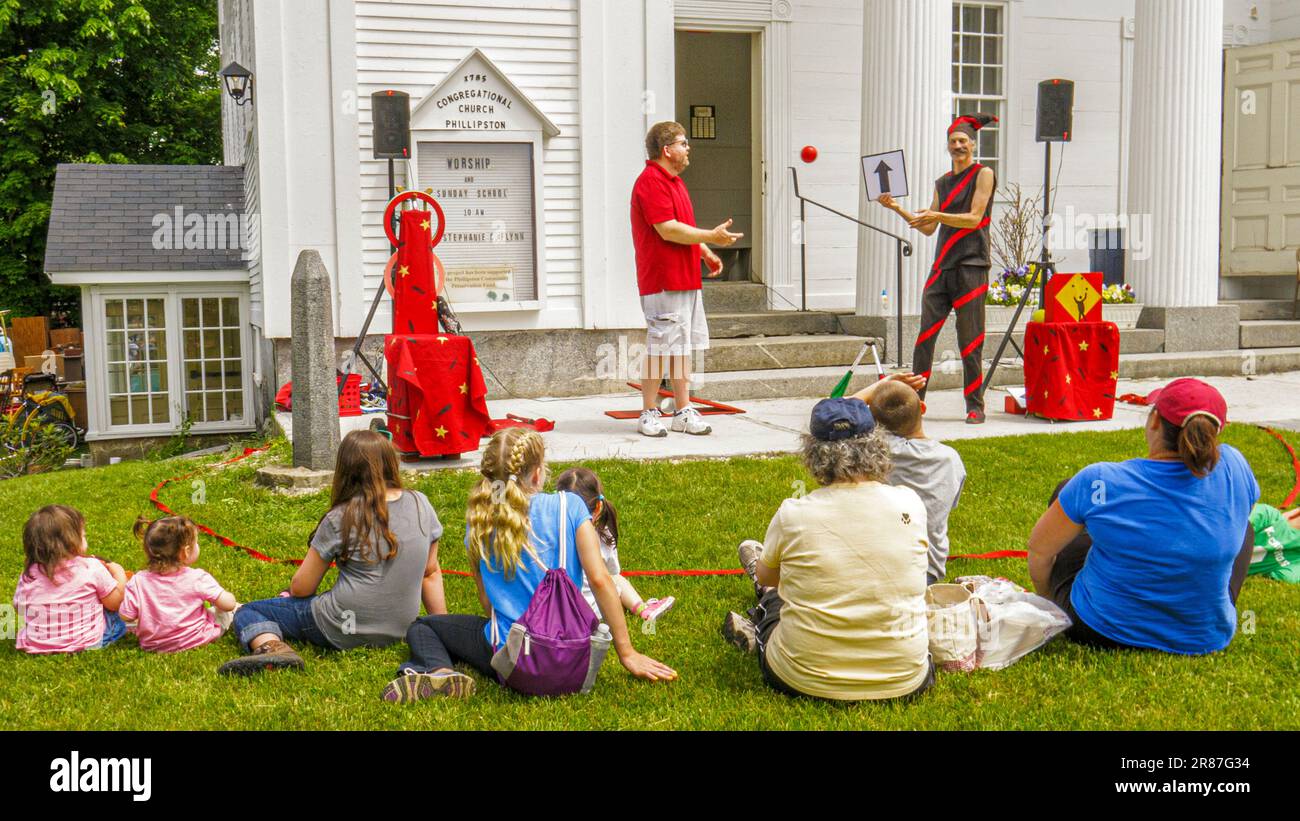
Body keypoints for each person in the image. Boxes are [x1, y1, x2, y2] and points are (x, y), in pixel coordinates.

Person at [382, 428, 676, 703]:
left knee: (423, 626)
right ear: (537, 474)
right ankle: (443, 674)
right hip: (574, 661)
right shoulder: (570, 507)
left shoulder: (480, 524)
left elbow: (489, 606)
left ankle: (440, 672)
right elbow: (600, 580)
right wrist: (627, 652)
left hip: (514, 667)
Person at [721, 398, 934, 701]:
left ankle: (757, 623)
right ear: (877, 446)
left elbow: (771, 576)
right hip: (905, 680)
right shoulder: (910, 502)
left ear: (812, 453)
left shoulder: (793, 513)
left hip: (804, 679)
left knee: (774, 600)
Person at [1027, 378, 1260, 654]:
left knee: (1068, 493)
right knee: (1245, 528)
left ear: (1154, 421)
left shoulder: (1100, 480)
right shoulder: (1235, 465)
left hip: (1100, 628)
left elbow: (1039, 552)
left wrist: (1048, 599)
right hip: (1203, 636)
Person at [218, 430, 445, 675]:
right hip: (401, 627)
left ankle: (271, 647)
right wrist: (441, 628)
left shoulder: (341, 517)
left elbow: (302, 588)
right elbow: (430, 573)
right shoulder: (421, 503)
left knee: (250, 610)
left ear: (345, 470)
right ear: (392, 462)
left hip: (341, 626)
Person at [878, 113, 998, 424]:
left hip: (972, 265)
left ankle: (975, 406)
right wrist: (897, 208)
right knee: (924, 338)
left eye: (963, 141)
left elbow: (974, 219)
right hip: (942, 267)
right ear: (948, 146)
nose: (958, 146)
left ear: (972, 144)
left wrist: (936, 214)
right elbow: (929, 227)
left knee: (970, 342)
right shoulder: (942, 183)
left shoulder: (983, 174)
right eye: (953, 142)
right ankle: (914, 404)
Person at [631, 120, 743, 438]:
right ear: (667, 150)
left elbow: (682, 226)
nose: (688, 148)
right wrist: (711, 236)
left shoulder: (676, 182)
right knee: (660, 346)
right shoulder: (651, 181)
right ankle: (648, 412)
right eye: (683, 143)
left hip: (685, 278)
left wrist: (704, 251)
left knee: (681, 348)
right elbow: (667, 228)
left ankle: (682, 410)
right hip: (662, 280)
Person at [852, 373, 966, 585]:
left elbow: (838, 411)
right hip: (927, 571)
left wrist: (883, 383)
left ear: (875, 421)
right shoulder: (950, 459)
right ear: (922, 408)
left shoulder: (874, 452)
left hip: (877, 567)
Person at [555, 467, 676, 627]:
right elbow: (612, 573)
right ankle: (643, 609)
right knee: (615, 578)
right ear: (598, 507)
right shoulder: (602, 533)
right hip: (598, 611)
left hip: (555, 612)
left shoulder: (549, 530)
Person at [13, 505, 128, 654]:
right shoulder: (90, 567)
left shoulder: (29, 575)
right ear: (72, 542)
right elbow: (115, 603)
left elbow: (18, 607)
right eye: (84, 535)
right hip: (87, 642)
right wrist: (119, 572)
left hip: (39, 645)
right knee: (114, 616)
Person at [119, 515, 239, 652]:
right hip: (197, 638)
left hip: (152, 645)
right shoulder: (197, 578)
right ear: (186, 552)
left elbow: (126, 616)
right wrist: (229, 600)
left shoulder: (138, 581)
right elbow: (228, 604)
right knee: (229, 610)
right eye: (196, 542)